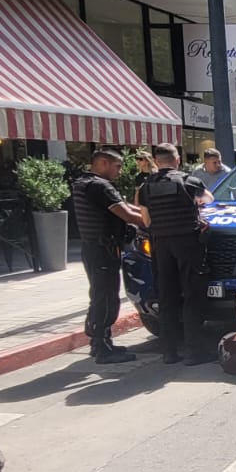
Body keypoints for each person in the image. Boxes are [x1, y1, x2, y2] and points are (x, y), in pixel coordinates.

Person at [137, 143, 213, 365]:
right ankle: (194, 351)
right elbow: (208, 200)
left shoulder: (145, 187)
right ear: (177, 159)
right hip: (187, 243)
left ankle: (169, 352)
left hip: (161, 245)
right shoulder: (188, 181)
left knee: (167, 297)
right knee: (191, 295)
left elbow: (146, 220)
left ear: (155, 161)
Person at [73, 149, 147, 363]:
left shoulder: (83, 183)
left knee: (99, 294)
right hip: (103, 248)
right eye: (117, 166)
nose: (120, 171)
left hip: (93, 248)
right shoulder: (99, 186)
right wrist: (154, 221)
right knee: (106, 297)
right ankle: (102, 346)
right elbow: (127, 214)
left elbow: (126, 207)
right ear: (103, 163)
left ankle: (99, 342)